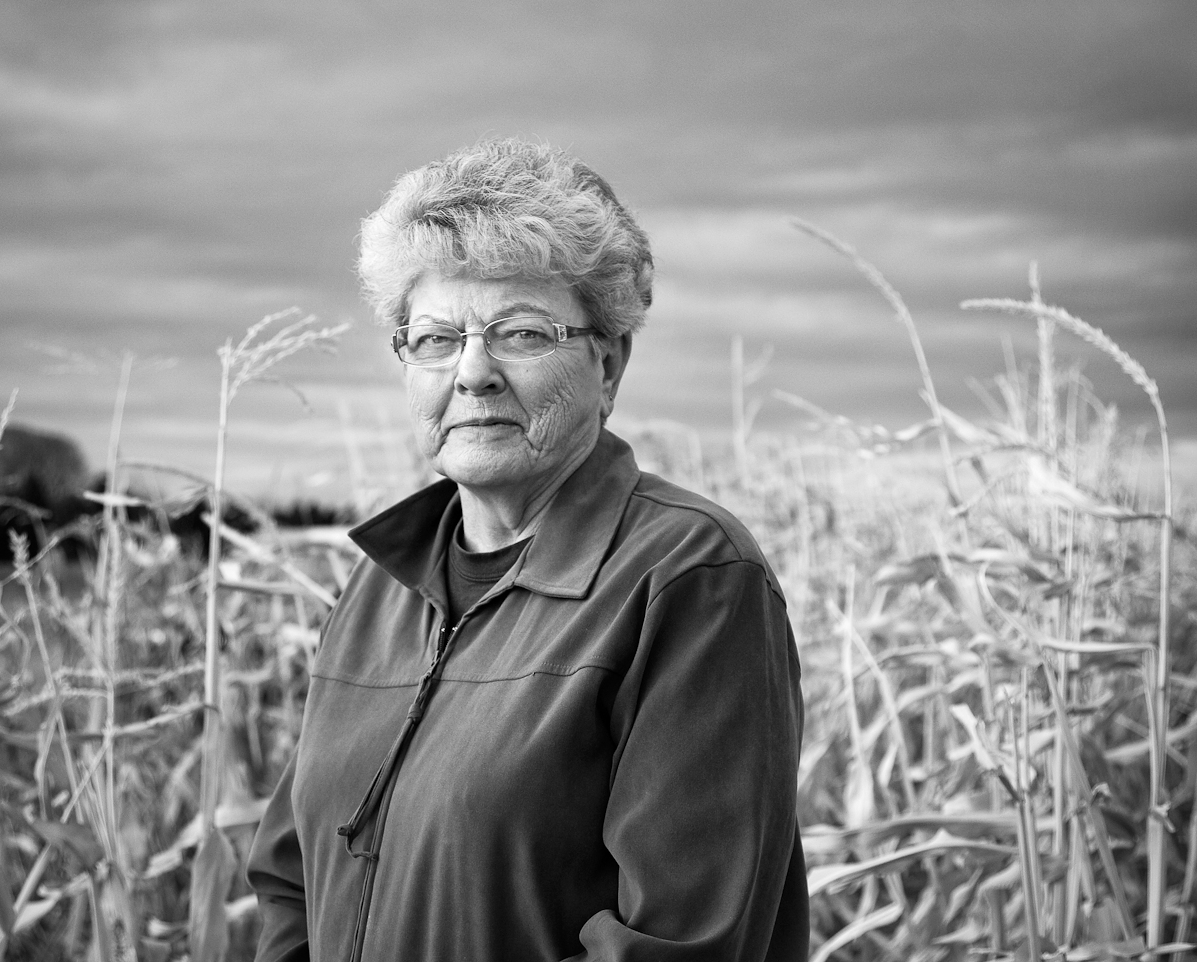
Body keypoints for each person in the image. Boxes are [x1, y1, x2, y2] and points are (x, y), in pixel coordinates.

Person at [247, 138, 808, 962]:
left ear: (608, 362)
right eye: (435, 338)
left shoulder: (689, 579)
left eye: (519, 333)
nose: (472, 374)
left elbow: (682, 944)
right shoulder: (378, 586)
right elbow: (293, 877)